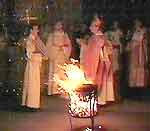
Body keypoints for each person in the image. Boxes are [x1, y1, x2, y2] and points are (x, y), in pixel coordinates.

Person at [83, 15, 115, 105]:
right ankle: (97, 99)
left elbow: (102, 49)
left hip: (98, 63)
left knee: (98, 80)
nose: (90, 28)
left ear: (97, 27)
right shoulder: (95, 37)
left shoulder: (99, 37)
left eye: (92, 26)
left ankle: (98, 100)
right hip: (96, 61)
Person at [22, 25, 47, 111]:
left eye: (37, 29)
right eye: (35, 29)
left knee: (35, 84)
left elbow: (43, 50)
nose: (37, 31)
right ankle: (31, 104)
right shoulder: (29, 40)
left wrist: (41, 53)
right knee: (32, 83)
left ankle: (34, 104)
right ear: (31, 30)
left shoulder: (36, 39)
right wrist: (38, 54)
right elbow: (29, 53)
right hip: (32, 64)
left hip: (36, 64)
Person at [46, 21, 72, 95]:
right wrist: (56, 48)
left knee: (62, 72)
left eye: (60, 25)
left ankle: (62, 90)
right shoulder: (52, 35)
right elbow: (48, 46)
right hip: (55, 57)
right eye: (57, 25)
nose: (59, 26)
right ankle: (54, 91)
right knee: (54, 73)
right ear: (54, 26)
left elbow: (69, 45)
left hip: (62, 56)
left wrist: (63, 48)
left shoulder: (65, 35)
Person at [127, 19, 148, 87]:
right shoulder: (132, 31)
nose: (136, 24)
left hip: (140, 51)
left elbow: (144, 41)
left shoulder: (143, 31)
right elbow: (129, 41)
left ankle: (140, 84)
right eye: (135, 23)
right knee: (133, 68)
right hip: (134, 52)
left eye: (138, 22)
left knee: (140, 68)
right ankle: (133, 85)